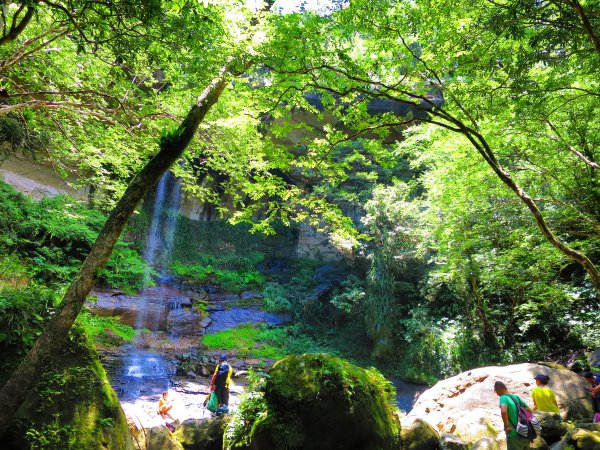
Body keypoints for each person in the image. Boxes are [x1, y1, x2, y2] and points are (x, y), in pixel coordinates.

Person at [494, 381, 533, 450]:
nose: (496, 393)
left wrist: (506, 426)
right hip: (525, 431)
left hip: (513, 433)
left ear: (499, 388)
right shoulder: (516, 397)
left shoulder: (503, 398)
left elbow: (503, 411)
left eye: (495, 391)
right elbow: (530, 411)